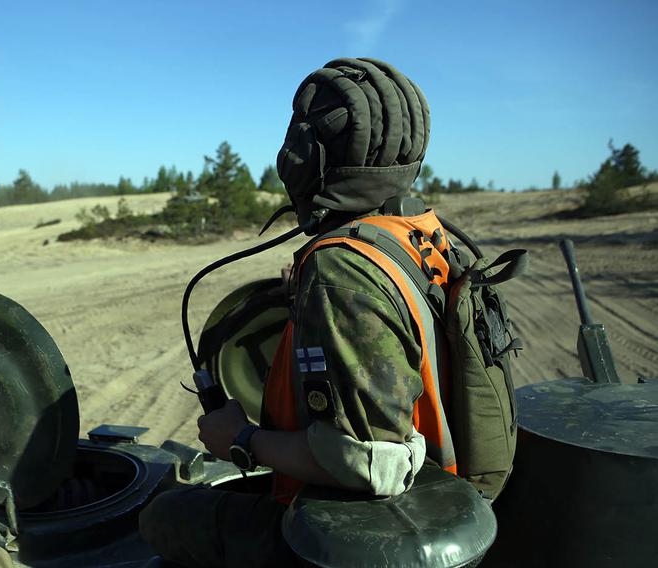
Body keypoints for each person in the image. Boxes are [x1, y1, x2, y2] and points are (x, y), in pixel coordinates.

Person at [139, 57, 455, 567]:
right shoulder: (419, 233)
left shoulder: (342, 273)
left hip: (373, 536)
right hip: (438, 495)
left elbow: (373, 466)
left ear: (307, 157)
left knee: (163, 515)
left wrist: (242, 440)